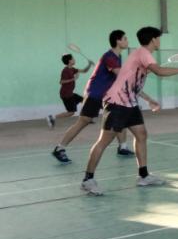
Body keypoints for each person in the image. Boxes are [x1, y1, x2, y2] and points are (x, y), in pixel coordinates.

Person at [80, 27, 178, 196]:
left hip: (130, 102)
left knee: (141, 134)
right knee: (104, 141)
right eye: (158, 38)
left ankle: (143, 176)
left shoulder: (141, 55)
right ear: (153, 40)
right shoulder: (143, 53)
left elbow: (133, 81)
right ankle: (88, 180)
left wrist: (149, 99)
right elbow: (159, 71)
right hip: (117, 102)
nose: (159, 41)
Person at [51, 30, 151, 163]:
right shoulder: (109, 57)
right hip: (95, 93)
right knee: (84, 121)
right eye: (125, 38)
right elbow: (122, 76)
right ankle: (59, 148)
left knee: (120, 116)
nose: (127, 41)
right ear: (118, 41)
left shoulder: (118, 57)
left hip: (107, 95)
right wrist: (143, 71)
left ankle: (122, 147)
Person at [47, 53, 93, 128]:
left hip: (70, 93)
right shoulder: (65, 70)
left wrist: (89, 64)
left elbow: (84, 71)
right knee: (71, 112)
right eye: (73, 58)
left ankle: (86, 118)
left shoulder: (72, 69)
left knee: (85, 101)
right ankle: (52, 117)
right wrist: (73, 79)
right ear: (69, 61)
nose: (74, 60)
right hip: (66, 95)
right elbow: (61, 82)